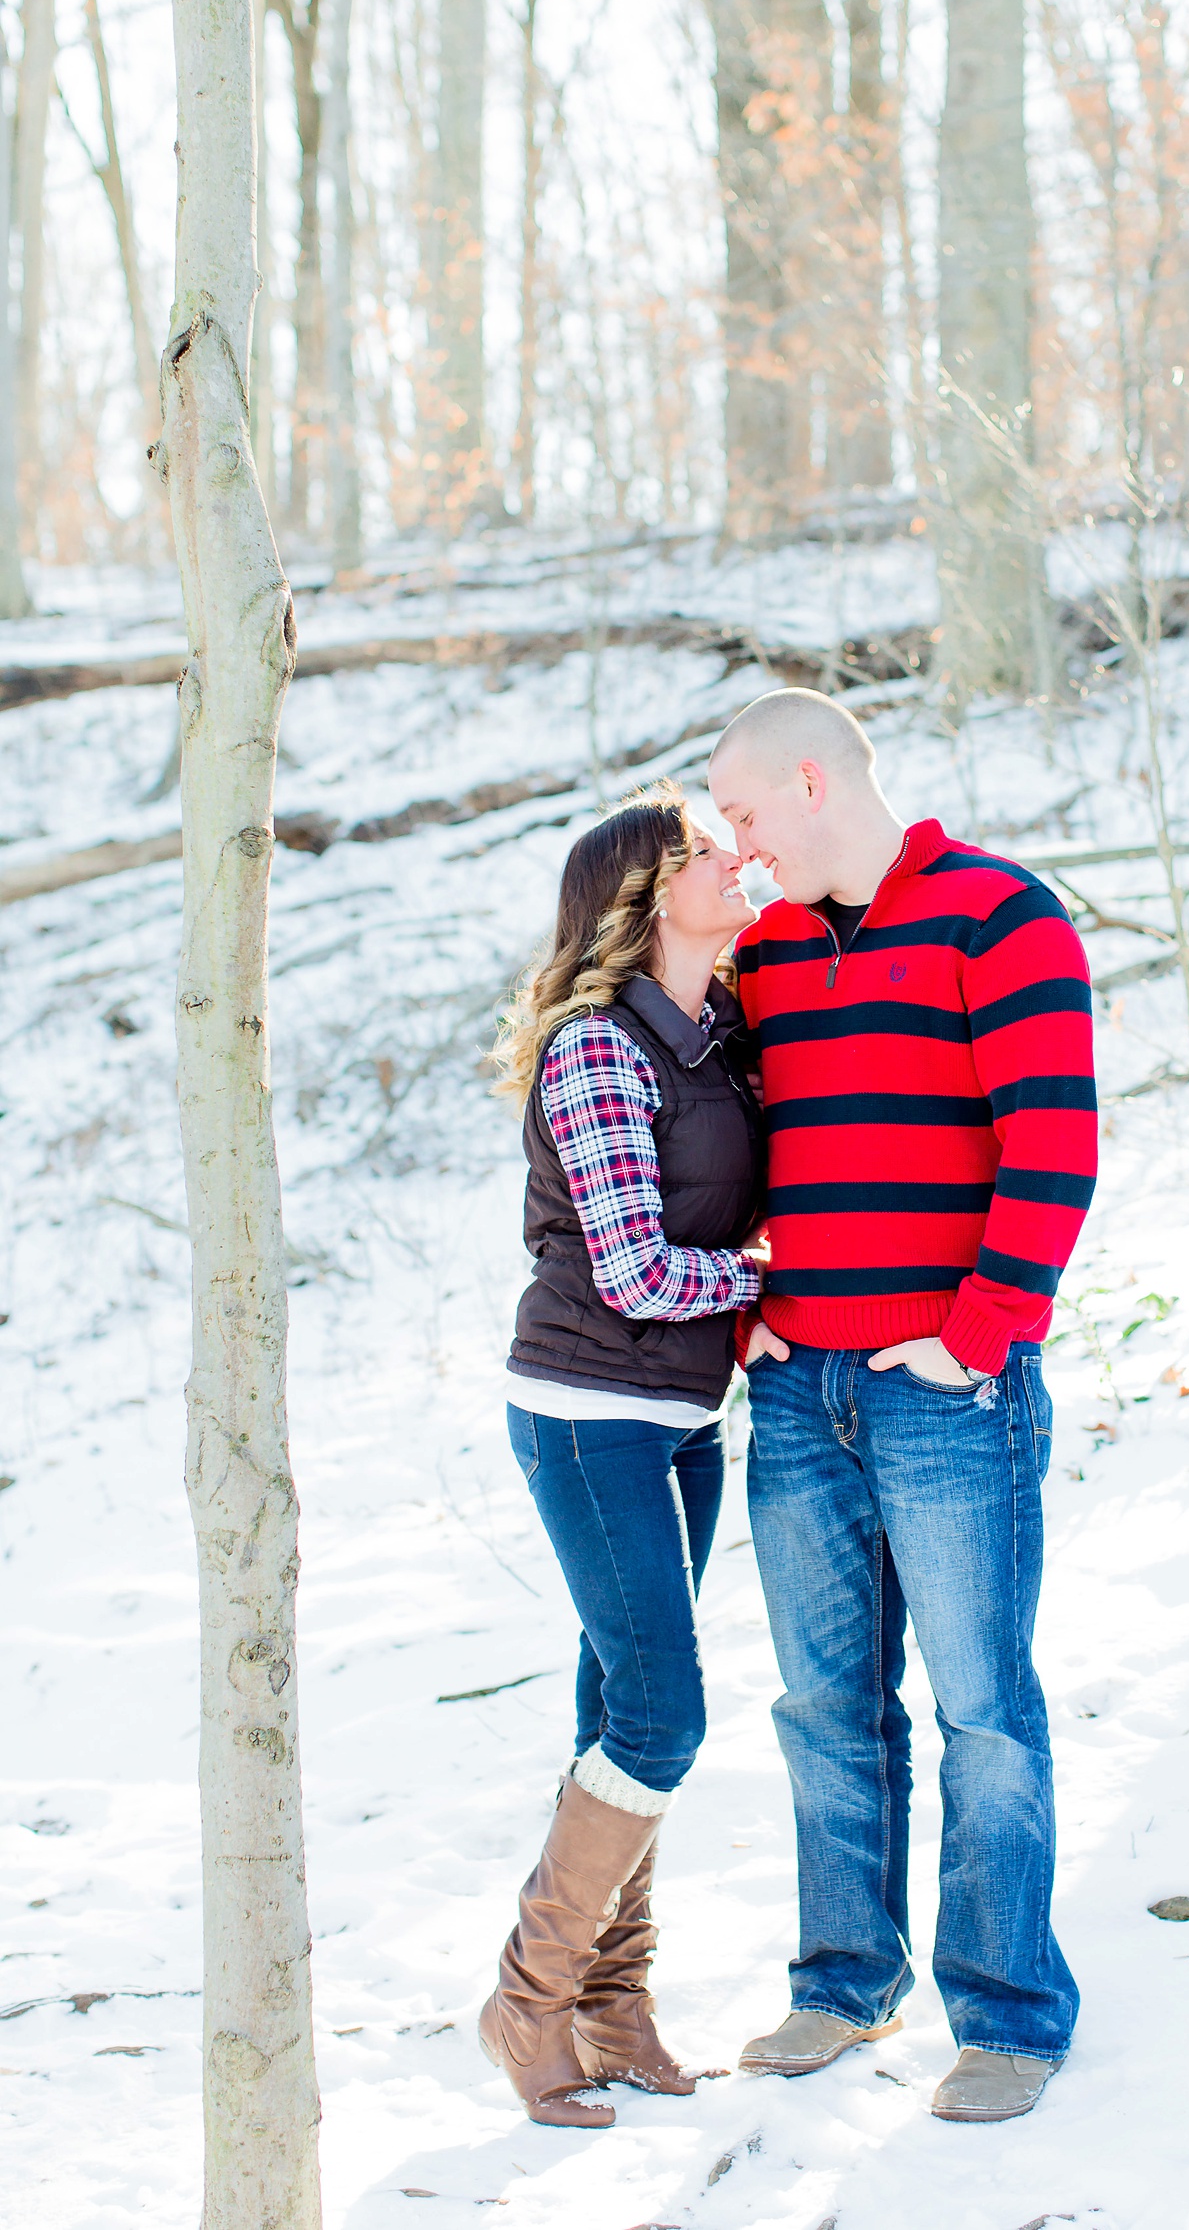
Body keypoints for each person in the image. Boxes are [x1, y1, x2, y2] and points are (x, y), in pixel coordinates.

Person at [709, 689, 1097, 2125]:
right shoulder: (761, 953)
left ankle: (1005, 2012)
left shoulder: (1001, 918)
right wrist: (751, 1308)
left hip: (947, 1391)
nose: (735, 848)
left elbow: (1051, 1146)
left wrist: (976, 1335)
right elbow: (738, 1152)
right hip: (799, 1392)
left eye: (742, 815)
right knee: (824, 1707)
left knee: (983, 1711)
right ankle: (843, 1983)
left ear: (811, 781)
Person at [478, 788, 766, 2128]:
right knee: (662, 1716)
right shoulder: (597, 1049)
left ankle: (612, 2003)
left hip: (681, 1420)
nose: (735, 861)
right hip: (590, 1412)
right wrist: (765, 1276)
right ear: (643, 904)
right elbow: (640, 1272)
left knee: (617, 1712)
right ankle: (528, 2001)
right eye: (704, 854)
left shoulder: (722, 1037)